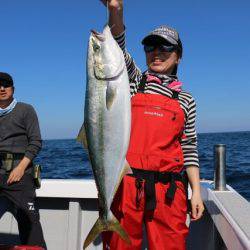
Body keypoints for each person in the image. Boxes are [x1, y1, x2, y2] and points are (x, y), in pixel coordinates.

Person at [100, 1, 205, 249]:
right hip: (126, 186)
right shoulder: (135, 81)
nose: (156, 52)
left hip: (169, 192)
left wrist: (197, 191)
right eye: (150, 47)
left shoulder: (186, 100)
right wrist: (116, 10)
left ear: (179, 55)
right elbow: (115, 47)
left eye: (165, 47)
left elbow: (189, 148)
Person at [0, 72, 46, 249]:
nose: (2, 88)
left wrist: (20, 168)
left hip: (21, 176)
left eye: (6, 85)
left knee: (30, 225)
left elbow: (35, 142)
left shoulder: (26, 110)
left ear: (13, 89)